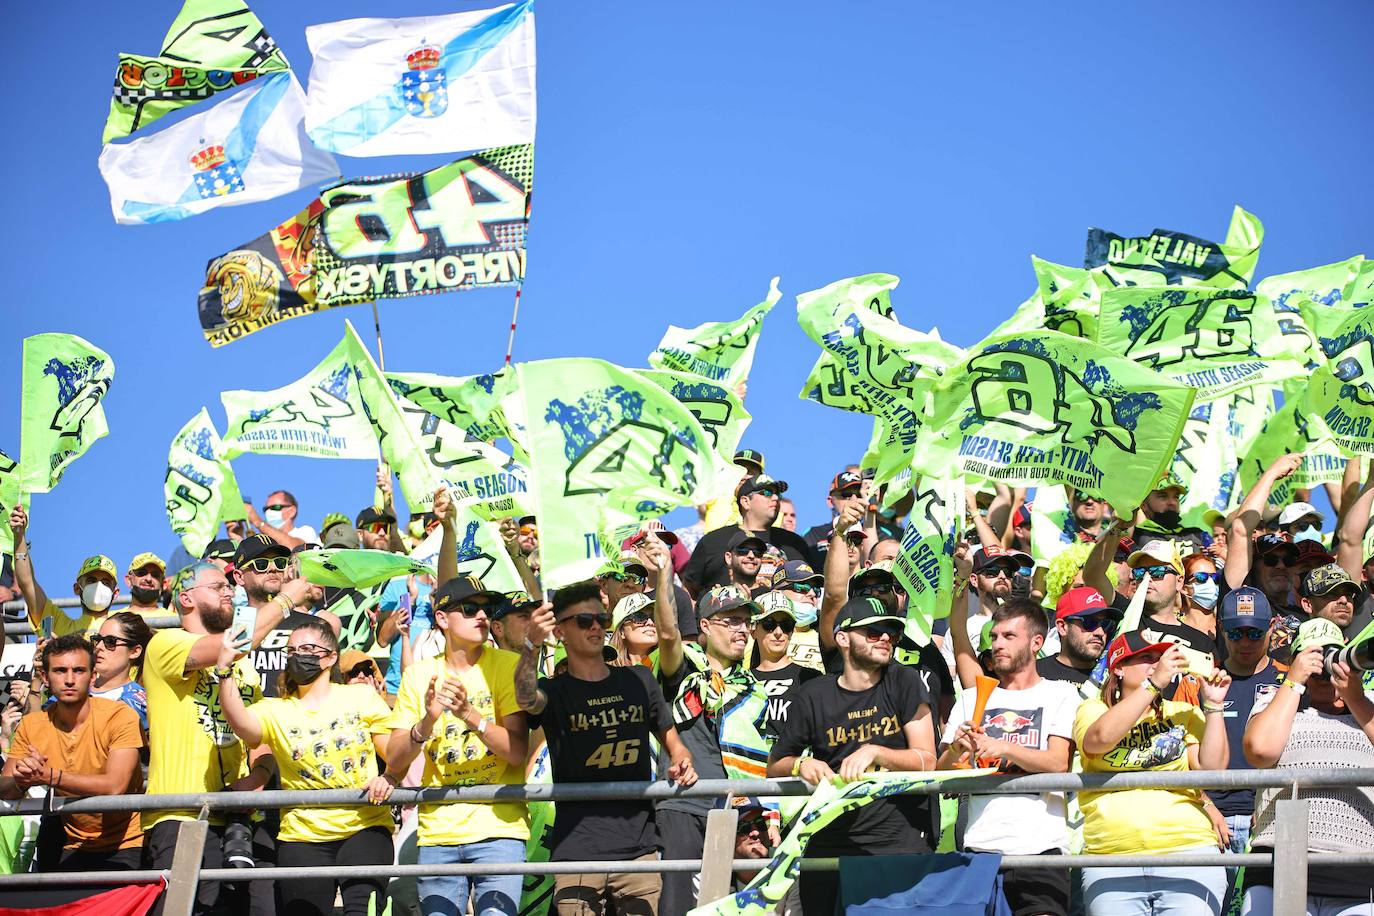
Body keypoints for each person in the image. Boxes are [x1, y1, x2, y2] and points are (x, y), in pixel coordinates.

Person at [141, 561, 311, 916]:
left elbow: (260, 739)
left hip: (236, 819)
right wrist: (283, 602)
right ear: (186, 598)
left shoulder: (243, 666)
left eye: (228, 587)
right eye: (217, 586)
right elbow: (228, 645)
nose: (228, 592)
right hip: (180, 816)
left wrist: (259, 776)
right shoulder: (164, 644)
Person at [515, 585, 696, 916]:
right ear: (560, 631)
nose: (596, 626)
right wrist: (531, 645)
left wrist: (682, 761)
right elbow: (526, 700)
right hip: (578, 850)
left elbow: (674, 742)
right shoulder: (554, 691)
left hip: (639, 847)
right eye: (584, 620)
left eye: (601, 617)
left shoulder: (639, 679)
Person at [768, 596, 938, 915]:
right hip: (828, 844)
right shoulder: (814, 694)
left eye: (891, 632)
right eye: (873, 632)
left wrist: (878, 752)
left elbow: (928, 760)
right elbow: (775, 766)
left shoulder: (904, 680)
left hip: (893, 843)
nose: (886, 638)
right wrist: (802, 764)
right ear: (842, 638)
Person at [218, 620, 397, 916]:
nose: (299, 655)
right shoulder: (275, 709)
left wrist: (391, 773)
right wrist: (224, 671)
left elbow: (393, 751)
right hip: (302, 836)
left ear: (331, 657)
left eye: (308, 648)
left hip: (365, 828)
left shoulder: (361, 696)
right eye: (292, 650)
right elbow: (242, 724)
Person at [384, 576, 530, 916]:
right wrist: (427, 721)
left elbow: (516, 751)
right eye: (469, 608)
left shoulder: (507, 664)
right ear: (442, 618)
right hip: (439, 833)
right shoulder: (417, 675)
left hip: (500, 828)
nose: (481, 616)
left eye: (486, 608)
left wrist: (469, 714)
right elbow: (394, 758)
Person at [938, 598, 1080, 916]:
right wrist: (958, 749)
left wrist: (1004, 747)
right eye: (995, 637)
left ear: (1036, 643)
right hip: (980, 848)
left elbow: (1058, 763)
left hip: (1042, 850)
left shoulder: (1060, 693)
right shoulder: (970, 697)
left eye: (1009, 636)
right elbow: (941, 774)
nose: (998, 644)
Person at [1075, 632, 1232, 915]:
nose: (1156, 664)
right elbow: (1098, 740)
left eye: (1158, 659)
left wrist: (1214, 706)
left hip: (1187, 851)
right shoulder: (1093, 709)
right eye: (1146, 659)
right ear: (1118, 667)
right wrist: (1153, 684)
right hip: (1111, 857)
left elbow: (1213, 770)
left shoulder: (1183, 711)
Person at [1241, 618, 1374, 914]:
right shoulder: (1273, 702)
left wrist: (1355, 697)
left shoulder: (1369, 704)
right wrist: (1294, 682)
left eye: (1331, 655)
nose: (1323, 668)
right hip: (1279, 861)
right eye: (1313, 657)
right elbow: (1260, 751)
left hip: (1356, 867)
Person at [654, 582, 767, 916]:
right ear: (704, 625)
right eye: (731, 621)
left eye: (746, 622)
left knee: (721, 909)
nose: (742, 629)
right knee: (677, 907)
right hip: (682, 805)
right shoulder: (683, 668)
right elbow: (668, 635)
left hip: (733, 811)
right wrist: (662, 574)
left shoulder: (753, 689)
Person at [0, 635, 143, 872]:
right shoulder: (32, 725)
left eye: (78, 670)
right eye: (59, 671)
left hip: (128, 842)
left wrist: (49, 777)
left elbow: (115, 785)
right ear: (44, 677)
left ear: (93, 675)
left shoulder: (121, 716)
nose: (69, 680)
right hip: (69, 842)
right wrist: (22, 780)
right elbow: (6, 787)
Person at [1206, 587, 1285, 916]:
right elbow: (1179, 755)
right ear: (1222, 630)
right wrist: (1206, 807)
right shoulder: (1203, 681)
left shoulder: (1289, 683)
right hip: (1211, 823)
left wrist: (1269, 808)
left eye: (1255, 632)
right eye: (1236, 632)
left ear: (1271, 629)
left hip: (1267, 823)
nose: (1246, 641)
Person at [233, 534, 341, 698]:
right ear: (239, 577)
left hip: (293, 719)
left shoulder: (314, 625)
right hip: (243, 717)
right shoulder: (229, 624)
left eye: (279, 562)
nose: (272, 569)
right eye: (261, 564)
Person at [681, 474, 817, 595]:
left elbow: (814, 588)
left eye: (778, 494)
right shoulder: (713, 541)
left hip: (780, 623)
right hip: (728, 622)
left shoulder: (794, 543)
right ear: (746, 502)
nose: (775, 498)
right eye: (767, 493)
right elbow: (689, 590)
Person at [10, 504, 120, 638]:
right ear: (77, 588)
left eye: (106, 582)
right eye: (91, 581)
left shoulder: (125, 629)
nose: (98, 587)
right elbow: (27, 583)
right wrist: (19, 536)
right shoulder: (56, 625)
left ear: (115, 594)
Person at [749, 592, 820, 741]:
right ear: (753, 630)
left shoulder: (811, 679)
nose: (778, 632)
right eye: (769, 624)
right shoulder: (742, 681)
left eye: (786, 625)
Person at [1036, 586, 1119, 685]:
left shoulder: (1113, 680)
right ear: (1062, 627)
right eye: (1090, 622)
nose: (1100, 632)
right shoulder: (1032, 674)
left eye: (1106, 624)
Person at [91, 611, 152, 731]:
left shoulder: (137, 701)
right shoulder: (75, 685)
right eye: (97, 639)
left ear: (134, 651)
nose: (98, 647)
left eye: (110, 641)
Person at [800, 470, 869, 561]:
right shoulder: (812, 534)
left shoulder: (877, 531)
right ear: (830, 501)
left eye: (858, 494)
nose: (853, 499)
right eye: (846, 495)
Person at [1133, 477, 1208, 552]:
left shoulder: (1197, 534)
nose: (1172, 502)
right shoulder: (1135, 536)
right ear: (1143, 505)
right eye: (1163, 496)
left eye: (1176, 497)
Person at [244, 489, 319, 550]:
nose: (268, 512)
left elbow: (296, 549)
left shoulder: (306, 531)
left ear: (292, 511)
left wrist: (258, 522)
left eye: (275, 507)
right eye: (266, 509)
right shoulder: (264, 541)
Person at [1298, 564, 1362, 633]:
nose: (1344, 600)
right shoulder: (1292, 642)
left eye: (1348, 594)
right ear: (1308, 605)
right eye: (1332, 594)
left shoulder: (1367, 643)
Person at [1179, 551, 1223, 640]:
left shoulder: (1227, 627)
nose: (1210, 583)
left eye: (1215, 577)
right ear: (1184, 588)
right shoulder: (1176, 629)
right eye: (1202, 577)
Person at [608, 593, 658, 667]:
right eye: (640, 617)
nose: (650, 623)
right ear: (622, 632)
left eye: (654, 617)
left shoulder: (667, 663)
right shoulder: (606, 670)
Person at [124, 552, 167, 618]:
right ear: (129, 580)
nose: (148, 579)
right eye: (142, 573)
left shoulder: (177, 621)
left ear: (163, 584)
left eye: (155, 575)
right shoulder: (110, 620)